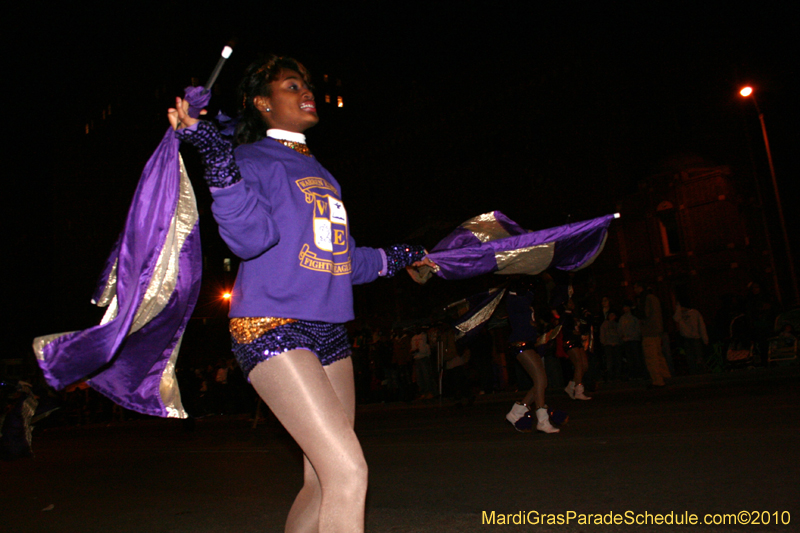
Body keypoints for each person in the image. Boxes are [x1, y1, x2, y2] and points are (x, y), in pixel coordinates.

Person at [168, 54, 434, 533]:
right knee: (349, 472)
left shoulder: (325, 175)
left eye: (306, 84)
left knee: (323, 481)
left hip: (330, 332)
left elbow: (340, 261)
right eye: (292, 86)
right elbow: (250, 239)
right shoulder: (249, 159)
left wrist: (400, 256)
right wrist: (216, 157)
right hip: (273, 325)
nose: (306, 91)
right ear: (262, 103)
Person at [504, 278, 561, 433]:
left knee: (541, 381)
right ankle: (542, 420)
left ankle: (517, 411)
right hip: (519, 344)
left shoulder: (524, 297)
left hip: (529, 343)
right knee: (540, 380)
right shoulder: (513, 299)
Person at [634, 282, 671, 388]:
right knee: (659, 355)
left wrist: (636, 313)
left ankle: (657, 380)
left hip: (649, 331)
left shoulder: (645, 298)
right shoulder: (654, 298)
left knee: (651, 357)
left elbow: (644, 314)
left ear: (640, 288)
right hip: (657, 330)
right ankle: (665, 376)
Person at [673, 296, 708, 375]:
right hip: (686, 339)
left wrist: (705, 339)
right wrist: (678, 309)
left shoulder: (695, 313)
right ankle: (693, 374)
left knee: (699, 358)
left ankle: (703, 374)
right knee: (690, 359)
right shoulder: (680, 314)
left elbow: (701, 326)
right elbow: (675, 318)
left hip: (696, 338)